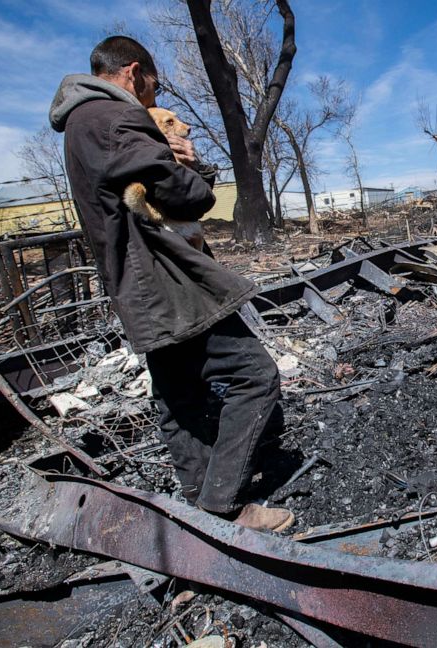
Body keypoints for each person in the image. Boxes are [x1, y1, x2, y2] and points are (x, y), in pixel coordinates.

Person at [48, 36, 293, 532]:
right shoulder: (114, 118)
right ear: (134, 72)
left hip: (134, 284)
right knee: (255, 376)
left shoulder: (79, 126)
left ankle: (199, 499)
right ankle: (223, 504)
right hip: (169, 283)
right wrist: (191, 166)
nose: (153, 100)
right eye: (152, 87)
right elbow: (184, 195)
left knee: (178, 397)